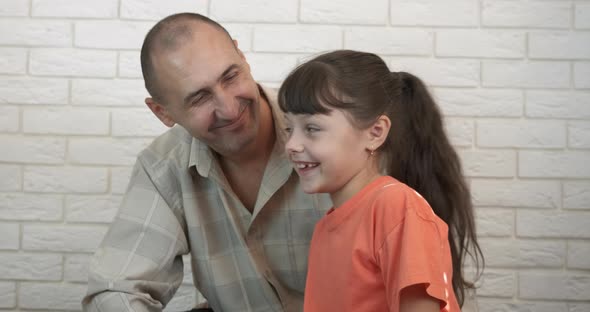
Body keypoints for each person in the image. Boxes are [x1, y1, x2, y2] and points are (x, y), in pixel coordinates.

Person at [82, 12, 331, 312]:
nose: (228, 108)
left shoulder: (333, 132)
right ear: (163, 113)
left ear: (242, 55)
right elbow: (116, 288)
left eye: (230, 76)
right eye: (200, 98)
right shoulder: (164, 165)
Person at [278, 50, 484, 311]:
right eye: (288, 128)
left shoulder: (396, 208)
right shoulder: (325, 229)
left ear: (375, 133)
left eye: (312, 128)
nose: (292, 145)